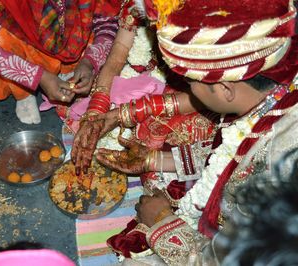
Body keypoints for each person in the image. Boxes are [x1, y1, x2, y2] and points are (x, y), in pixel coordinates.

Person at [93, 0, 298, 264]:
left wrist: (162, 222)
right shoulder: (273, 92)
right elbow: (232, 157)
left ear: (225, 89)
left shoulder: (277, 174)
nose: (187, 91)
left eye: (190, 83)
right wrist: (153, 160)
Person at [71, 0, 216, 176]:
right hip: (154, 74)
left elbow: (208, 93)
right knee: (90, 92)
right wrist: (95, 112)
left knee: (177, 132)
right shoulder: (140, 4)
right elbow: (118, 54)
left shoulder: (212, 14)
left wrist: (130, 112)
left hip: (198, 89)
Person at [0, 0, 121, 124]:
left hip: (72, 48)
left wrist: (89, 63)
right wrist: (37, 76)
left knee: (109, 41)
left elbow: (107, 24)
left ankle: (66, 70)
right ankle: (23, 91)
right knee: (0, 42)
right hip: (26, 50)